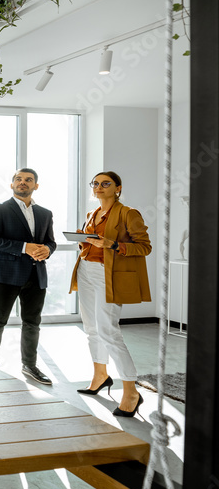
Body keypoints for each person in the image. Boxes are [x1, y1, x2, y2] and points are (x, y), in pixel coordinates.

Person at [70, 171, 151, 417]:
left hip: (109, 274)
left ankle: (131, 390)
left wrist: (114, 244)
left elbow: (145, 246)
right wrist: (83, 241)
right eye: (95, 183)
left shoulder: (128, 213)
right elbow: (92, 244)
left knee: (108, 331)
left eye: (106, 183)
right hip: (86, 271)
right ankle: (100, 376)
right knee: (91, 329)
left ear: (118, 188)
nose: (99, 187)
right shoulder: (91, 214)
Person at [0, 168, 57, 385]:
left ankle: (30, 366)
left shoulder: (45, 213)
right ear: (12, 184)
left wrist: (48, 250)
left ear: (36, 186)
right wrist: (24, 247)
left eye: (28, 180)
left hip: (36, 275)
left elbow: (50, 241)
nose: (23, 182)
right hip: (6, 275)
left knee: (32, 323)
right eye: (18, 179)